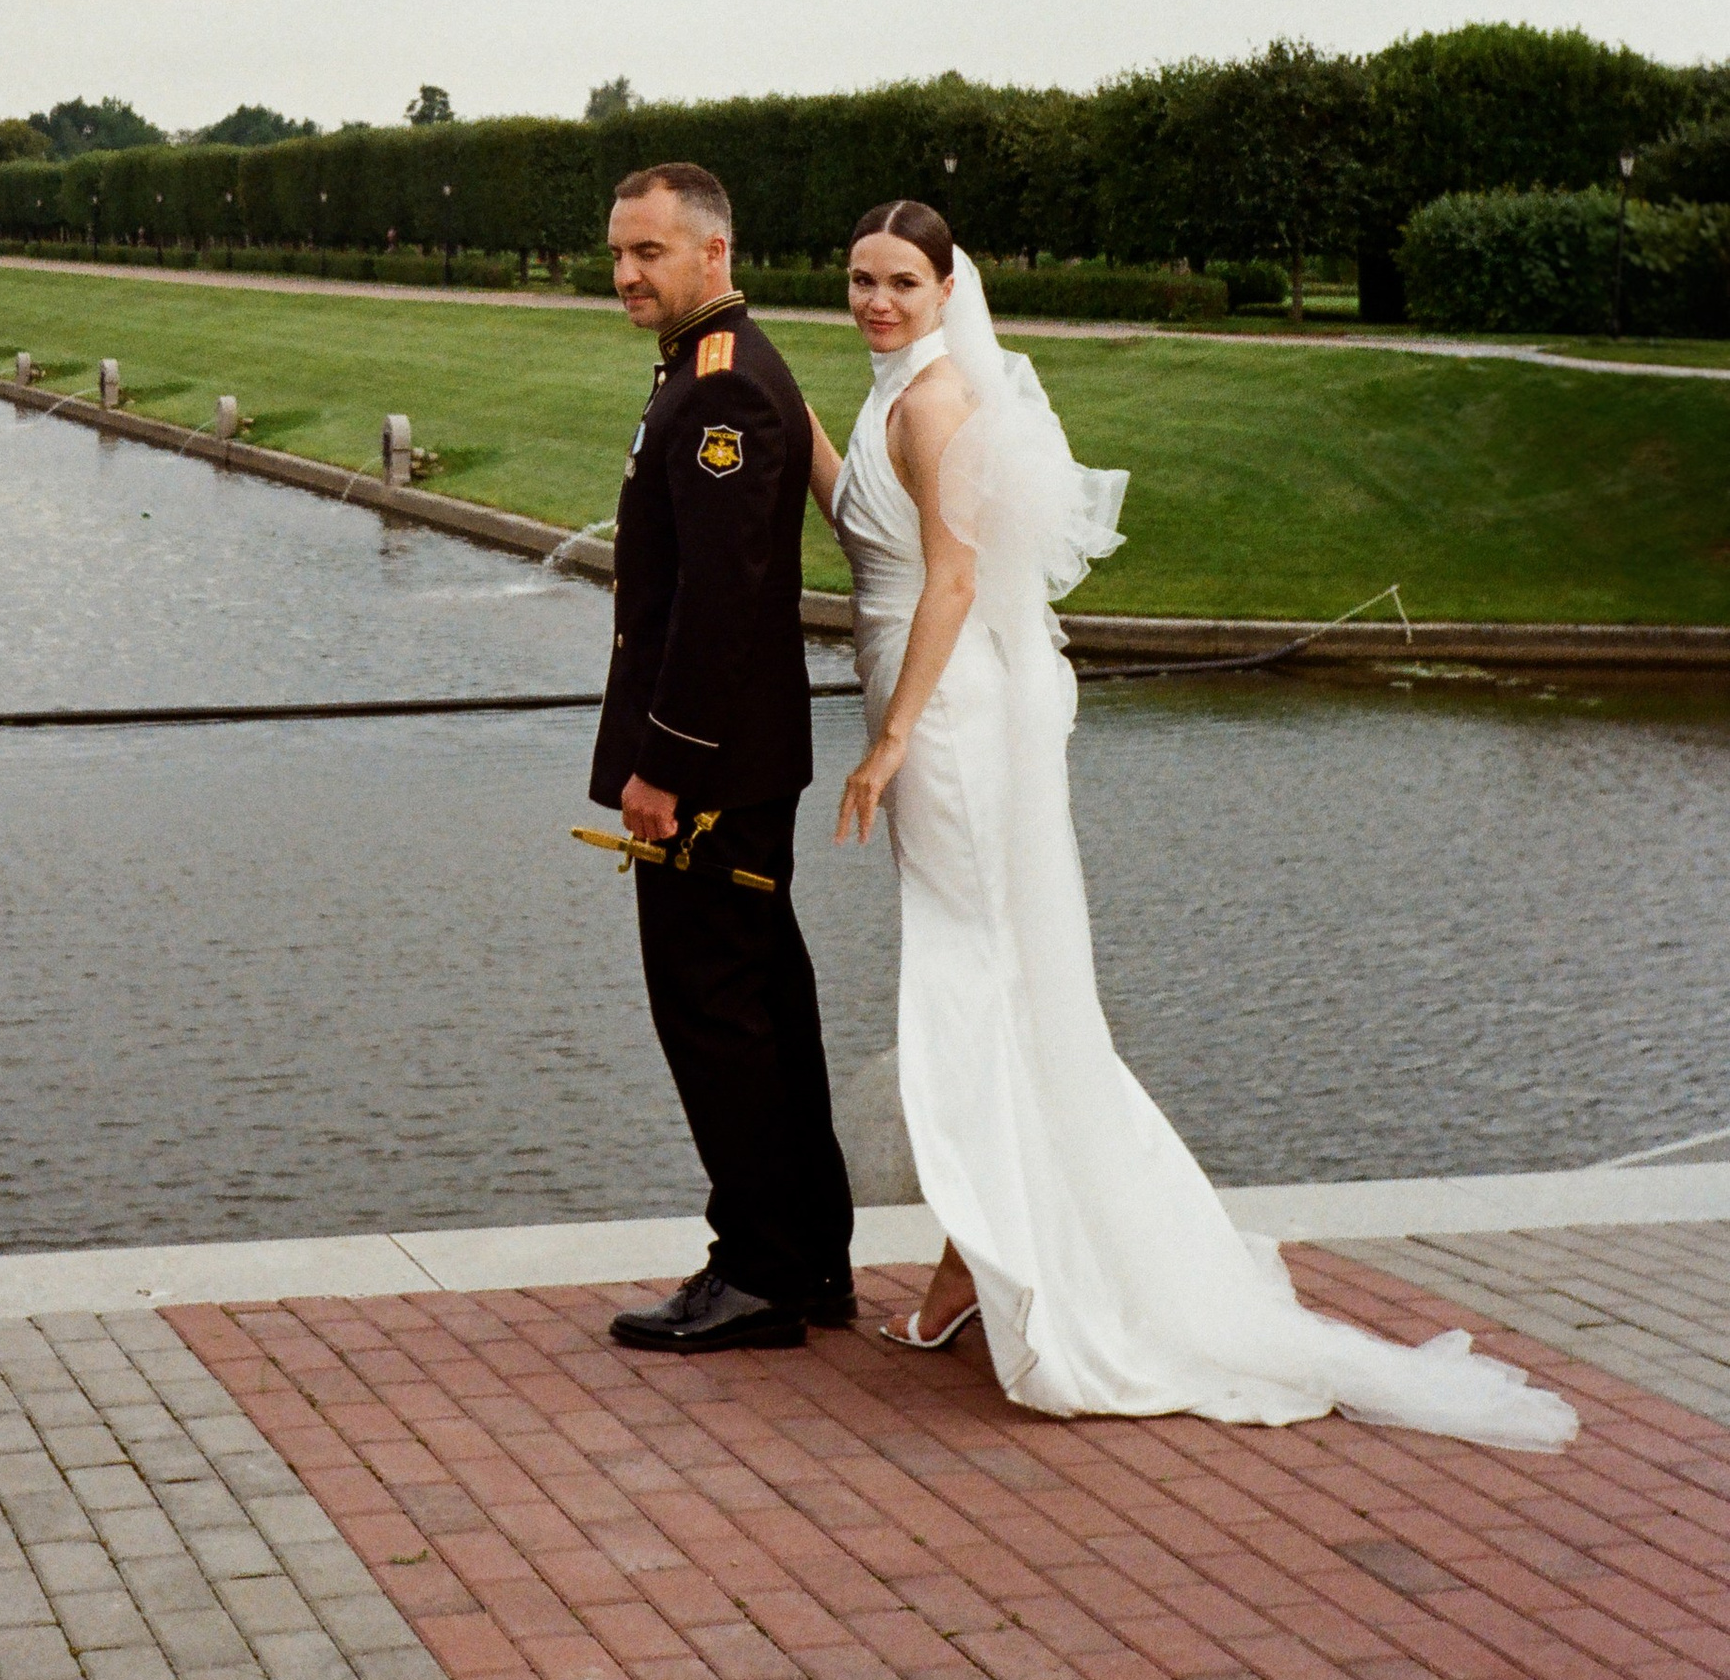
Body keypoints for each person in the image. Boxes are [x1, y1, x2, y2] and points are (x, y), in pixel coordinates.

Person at [810, 201, 1576, 1450]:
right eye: (859, 280)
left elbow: (950, 579)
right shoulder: (902, 389)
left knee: (976, 973)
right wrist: (798, 439)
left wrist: (891, 737)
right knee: (985, 977)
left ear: (949, 287)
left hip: (944, 719)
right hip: (926, 691)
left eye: (900, 280)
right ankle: (980, 1253)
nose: (876, 301)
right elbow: (878, 527)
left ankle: (1000, 1261)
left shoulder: (936, 399)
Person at [593, 163, 858, 1354]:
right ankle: (804, 1260)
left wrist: (663, 767)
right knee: (762, 1007)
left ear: (713, 252)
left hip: (709, 769)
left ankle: (758, 1269)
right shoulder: (716, 366)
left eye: (648, 253)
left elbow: (720, 603)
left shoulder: (720, 390)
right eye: (616, 254)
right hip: (734, 759)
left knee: (717, 1016)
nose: (625, 276)